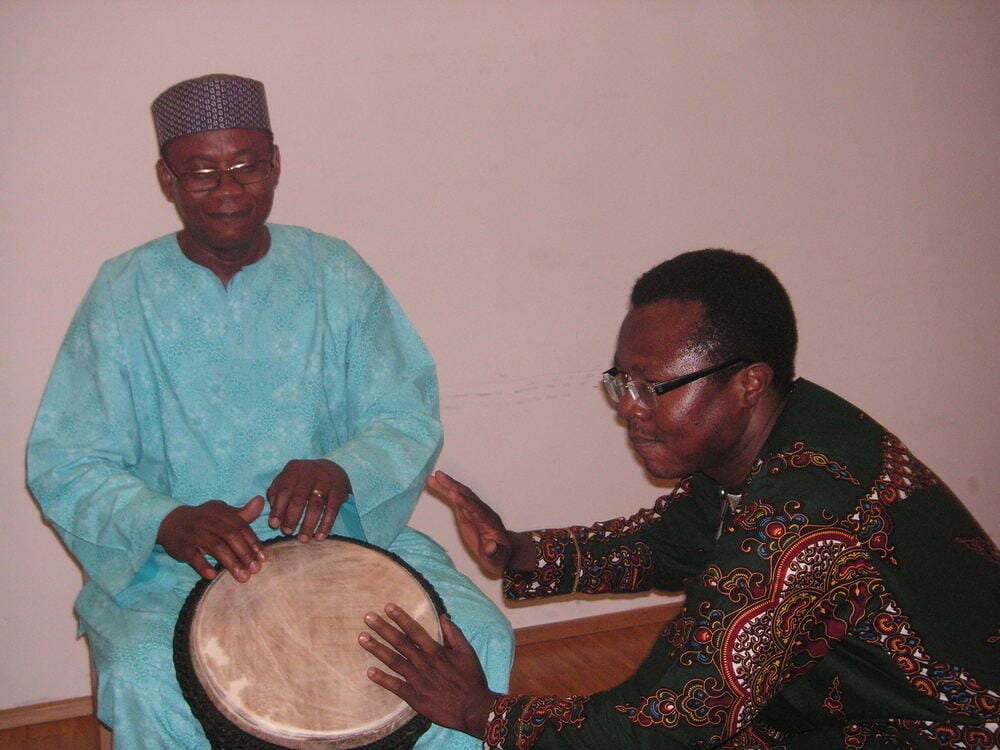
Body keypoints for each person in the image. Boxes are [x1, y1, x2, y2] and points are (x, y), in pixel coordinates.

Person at [27, 73, 513, 749]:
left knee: (477, 638)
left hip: (342, 543)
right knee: (146, 676)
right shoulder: (123, 293)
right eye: (201, 172)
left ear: (276, 164)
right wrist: (165, 519)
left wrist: (343, 469)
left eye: (246, 166)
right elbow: (68, 460)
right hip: (176, 568)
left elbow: (405, 415)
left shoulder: (335, 273)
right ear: (167, 179)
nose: (228, 190)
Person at [358, 249, 1000, 748]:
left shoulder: (799, 517)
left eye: (653, 386)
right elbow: (671, 541)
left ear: (748, 383)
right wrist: (523, 552)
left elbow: (669, 723)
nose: (628, 409)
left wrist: (479, 712)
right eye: (622, 382)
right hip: (847, 701)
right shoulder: (789, 428)